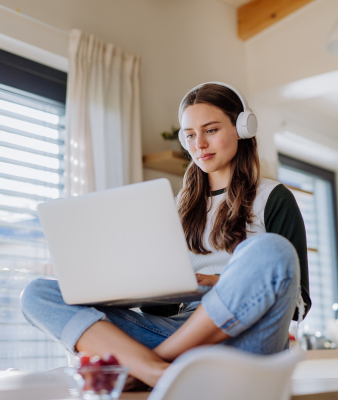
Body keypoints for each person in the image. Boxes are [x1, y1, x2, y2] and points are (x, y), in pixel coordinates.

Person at [20, 82, 311, 388]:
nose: (199, 143)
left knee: (269, 250)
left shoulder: (273, 197)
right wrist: (129, 286)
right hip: (178, 330)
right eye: (189, 135)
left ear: (242, 128)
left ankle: (147, 366)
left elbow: (297, 305)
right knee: (37, 293)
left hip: (247, 339)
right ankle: (156, 370)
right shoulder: (176, 208)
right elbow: (157, 311)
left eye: (210, 130)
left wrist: (216, 283)